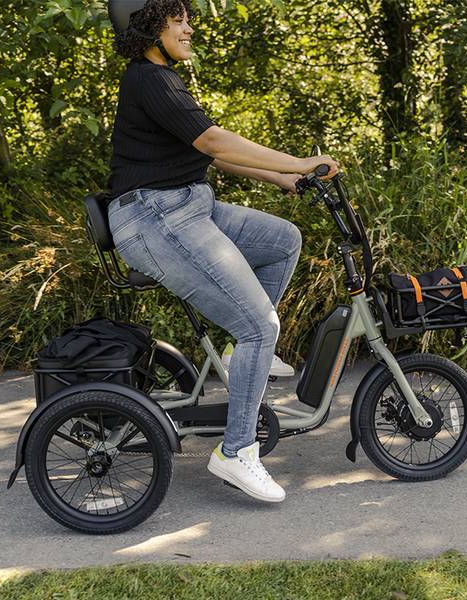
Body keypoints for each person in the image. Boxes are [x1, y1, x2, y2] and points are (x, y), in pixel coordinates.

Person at [106, 0, 338, 503]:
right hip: (154, 218)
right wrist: (301, 159)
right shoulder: (149, 80)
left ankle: (238, 356)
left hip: (189, 205)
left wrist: (281, 176)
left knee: (283, 241)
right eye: (178, 18)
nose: (190, 26)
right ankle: (236, 452)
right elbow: (214, 142)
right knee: (261, 325)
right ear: (149, 25)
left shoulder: (164, 79)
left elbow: (208, 154)